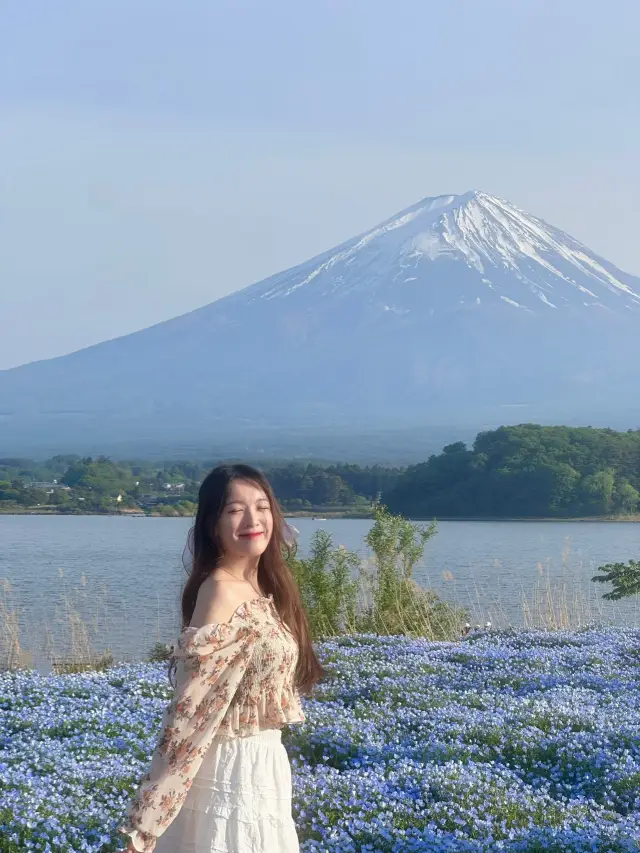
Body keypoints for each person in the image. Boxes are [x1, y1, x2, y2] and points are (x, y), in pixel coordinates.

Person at [117, 463, 326, 853]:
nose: (253, 520)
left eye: (262, 507)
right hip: (230, 774)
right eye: (234, 510)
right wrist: (146, 822)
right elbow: (188, 712)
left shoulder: (264, 586)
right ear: (213, 524)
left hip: (264, 768)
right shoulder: (219, 590)